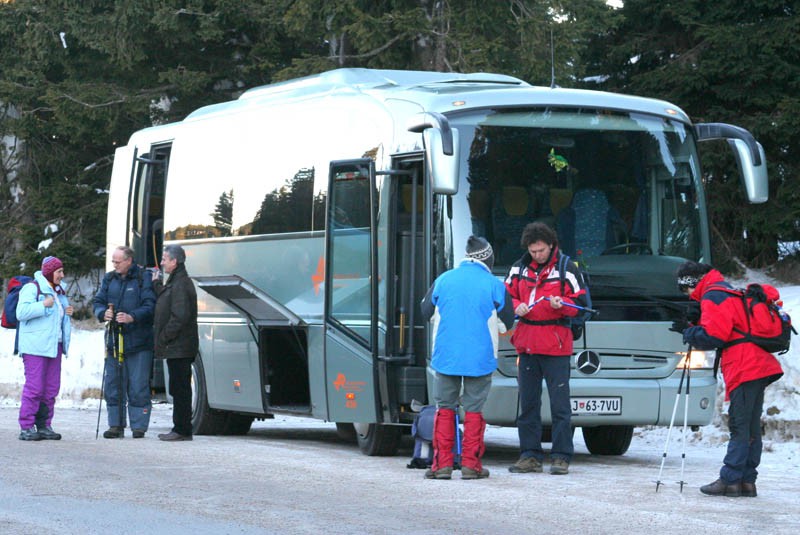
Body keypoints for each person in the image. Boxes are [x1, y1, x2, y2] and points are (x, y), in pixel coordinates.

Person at [675, 261, 783, 497]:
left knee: (740, 425)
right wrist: (697, 323)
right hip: (756, 364)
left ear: (692, 283)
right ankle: (746, 481)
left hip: (745, 365)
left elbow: (715, 335)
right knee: (750, 425)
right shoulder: (727, 290)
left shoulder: (713, 296)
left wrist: (689, 331)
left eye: (686, 290)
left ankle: (730, 479)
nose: (688, 296)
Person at [420, 236, 514, 480]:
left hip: (446, 357)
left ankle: (441, 466)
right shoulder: (494, 284)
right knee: (474, 410)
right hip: (479, 359)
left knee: (445, 408)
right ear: (489, 258)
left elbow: (424, 310)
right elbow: (509, 319)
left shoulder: (443, 279)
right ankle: (471, 465)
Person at [505, 222, 588, 475]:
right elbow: (505, 296)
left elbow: (582, 305)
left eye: (540, 250)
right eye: (533, 251)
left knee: (560, 406)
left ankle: (561, 456)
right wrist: (516, 305)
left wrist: (561, 304)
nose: (537, 255)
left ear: (551, 245)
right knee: (528, 404)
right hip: (527, 343)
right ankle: (529, 454)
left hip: (556, 345)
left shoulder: (567, 269)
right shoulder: (518, 268)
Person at [93, 246, 156, 439]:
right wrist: (103, 313)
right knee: (114, 385)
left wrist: (132, 317)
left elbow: (150, 305)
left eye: (117, 261)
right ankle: (116, 425)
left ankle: (139, 426)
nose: (114, 264)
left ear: (129, 261)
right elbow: (98, 301)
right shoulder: (110, 278)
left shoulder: (142, 278)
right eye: (113, 261)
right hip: (114, 339)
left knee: (138, 385)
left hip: (139, 341)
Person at [16, 256, 74, 441]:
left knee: (50, 389)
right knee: (34, 388)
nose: (62, 275)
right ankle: (26, 426)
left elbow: (56, 319)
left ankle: (44, 425)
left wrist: (67, 313)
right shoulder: (32, 288)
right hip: (35, 347)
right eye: (59, 272)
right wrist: (42, 305)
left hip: (54, 346)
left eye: (62, 271)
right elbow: (21, 313)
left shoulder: (59, 292)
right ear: (49, 272)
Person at [153, 244, 199, 442]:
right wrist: (157, 287)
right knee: (178, 387)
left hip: (179, 346)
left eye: (164, 259)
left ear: (175, 261)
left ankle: (182, 429)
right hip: (178, 346)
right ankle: (180, 427)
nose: (162, 263)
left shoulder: (181, 283)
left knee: (180, 389)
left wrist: (163, 337)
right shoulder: (176, 281)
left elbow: (179, 316)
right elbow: (168, 300)